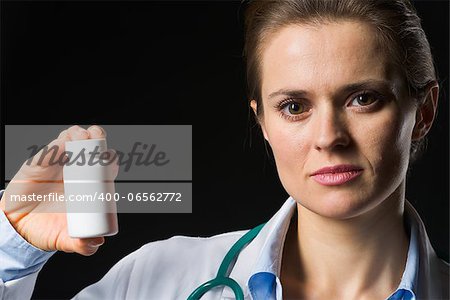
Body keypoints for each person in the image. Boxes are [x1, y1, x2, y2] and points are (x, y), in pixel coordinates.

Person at [0, 0, 448, 299]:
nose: (329, 136)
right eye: (294, 106)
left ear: (422, 112)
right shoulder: (159, 280)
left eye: (363, 99)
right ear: (263, 121)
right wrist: (11, 250)